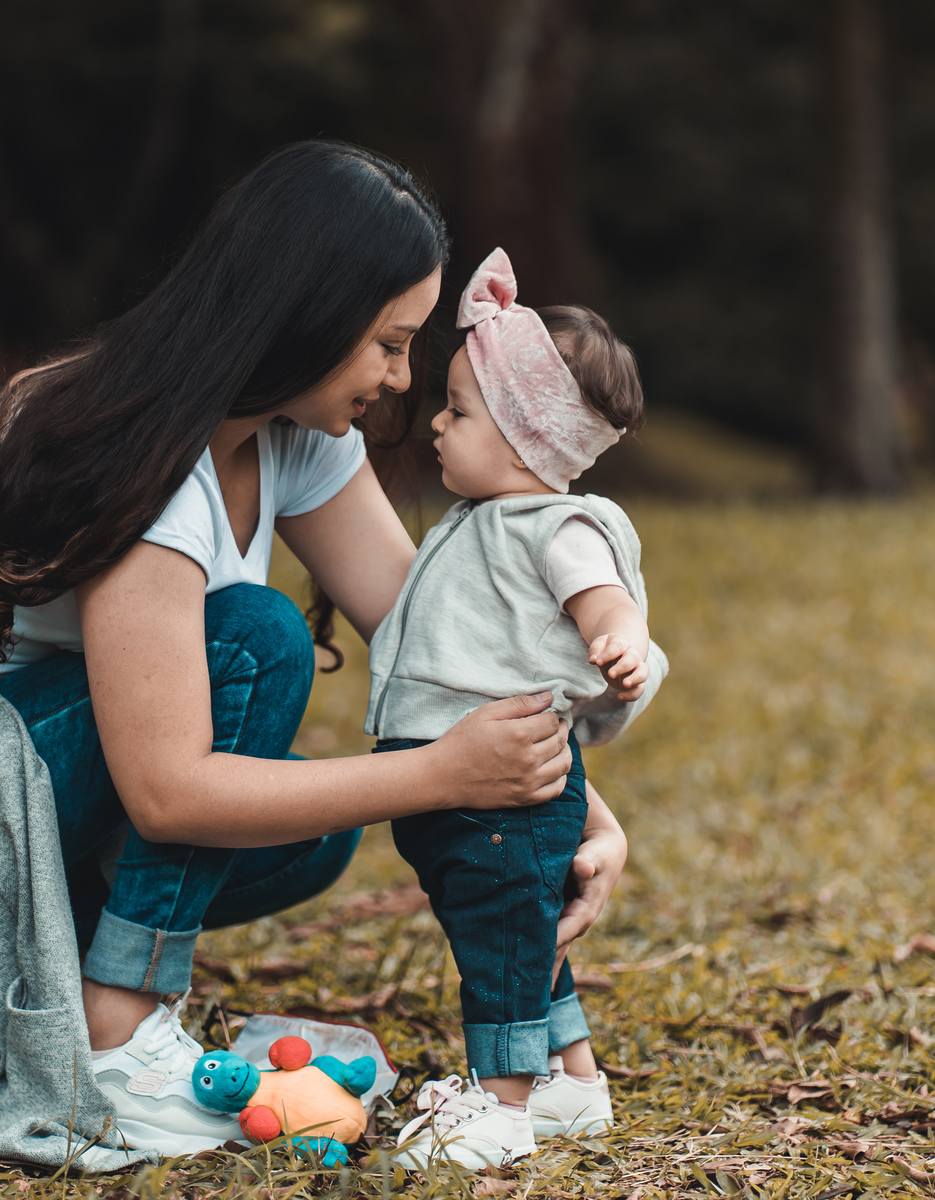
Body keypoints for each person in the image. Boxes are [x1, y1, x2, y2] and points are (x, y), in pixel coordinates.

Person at [0, 143, 628, 1168]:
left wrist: (578, 807)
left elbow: (432, 637)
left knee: (309, 832)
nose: (400, 379)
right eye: (389, 343)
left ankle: (61, 983)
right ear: (305, 316)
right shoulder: (141, 453)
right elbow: (168, 794)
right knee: (255, 643)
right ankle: (117, 1033)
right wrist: (439, 774)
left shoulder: (294, 436)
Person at [368, 249, 667, 1168]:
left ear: (529, 440)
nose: (437, 429)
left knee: (502, 937)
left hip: (504, 790)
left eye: (458, 412)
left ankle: (498, 1108)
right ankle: (570, 1081)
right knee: (514, 926)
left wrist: (619, 640)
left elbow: (603, 596)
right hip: (464, 784)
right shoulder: (483, 520)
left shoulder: (556, 526)